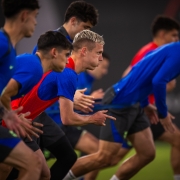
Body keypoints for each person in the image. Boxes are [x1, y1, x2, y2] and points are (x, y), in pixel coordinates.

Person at [63, 40, 180, 180]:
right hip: (119, 102)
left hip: (134, 104)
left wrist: (144, 103)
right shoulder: (175, 53)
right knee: (104, 157)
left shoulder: (168, 50)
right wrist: (163, 113)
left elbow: (141, 76)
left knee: (147, 153)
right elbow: (158, 81)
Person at [7, 30, 115, 180]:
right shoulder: (67, 73)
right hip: (15, 121)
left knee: (43, 170)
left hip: (25, 119)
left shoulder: (62, 68)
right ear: (84, 51)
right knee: (28, 169)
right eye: (98, 53)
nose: (101, 58)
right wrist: (92, 119)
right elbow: (68, 119)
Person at [109, 15, 180, 180]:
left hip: (142, 108)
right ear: (162, 34)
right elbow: (130, 77)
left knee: (113, 157)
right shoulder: (151, 51)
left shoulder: (153, 51)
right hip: (139, 110)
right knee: (108, 157)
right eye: (174, 35)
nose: (176, 40)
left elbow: (130, 74)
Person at [45, 52, 110, 180]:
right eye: (102, 66)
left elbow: (76, 106)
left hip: (67, 125)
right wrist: (90, 99)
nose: (105, 71)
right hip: (54, 125)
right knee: (34, 167)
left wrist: (92, 101)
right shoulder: (74, 75)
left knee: (99, 153)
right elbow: (62, 101)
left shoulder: (87, 79)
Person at [0, 0, 42, 180]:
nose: (36, 22)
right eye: (35, 16)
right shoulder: (2, 43)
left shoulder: (8, 47)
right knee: (33, 164)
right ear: (25, 15)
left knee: (33, 163)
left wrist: (6, 114)